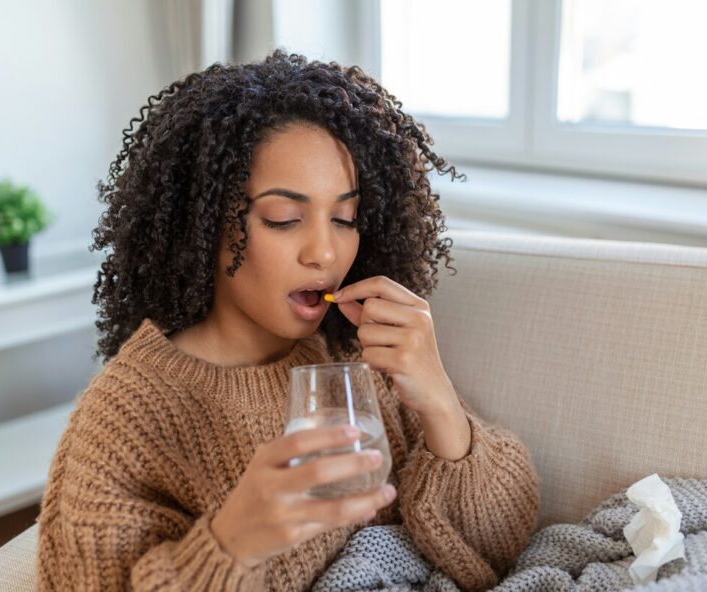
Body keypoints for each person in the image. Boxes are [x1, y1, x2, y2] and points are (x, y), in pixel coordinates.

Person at [35, 49, 540, 592]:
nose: (325, 252)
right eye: (284, 219)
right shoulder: (127, 417)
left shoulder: (356, 351)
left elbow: (504, 543)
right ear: (202, 225)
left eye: (345, 218)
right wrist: (232, 543)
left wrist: (440, 402)